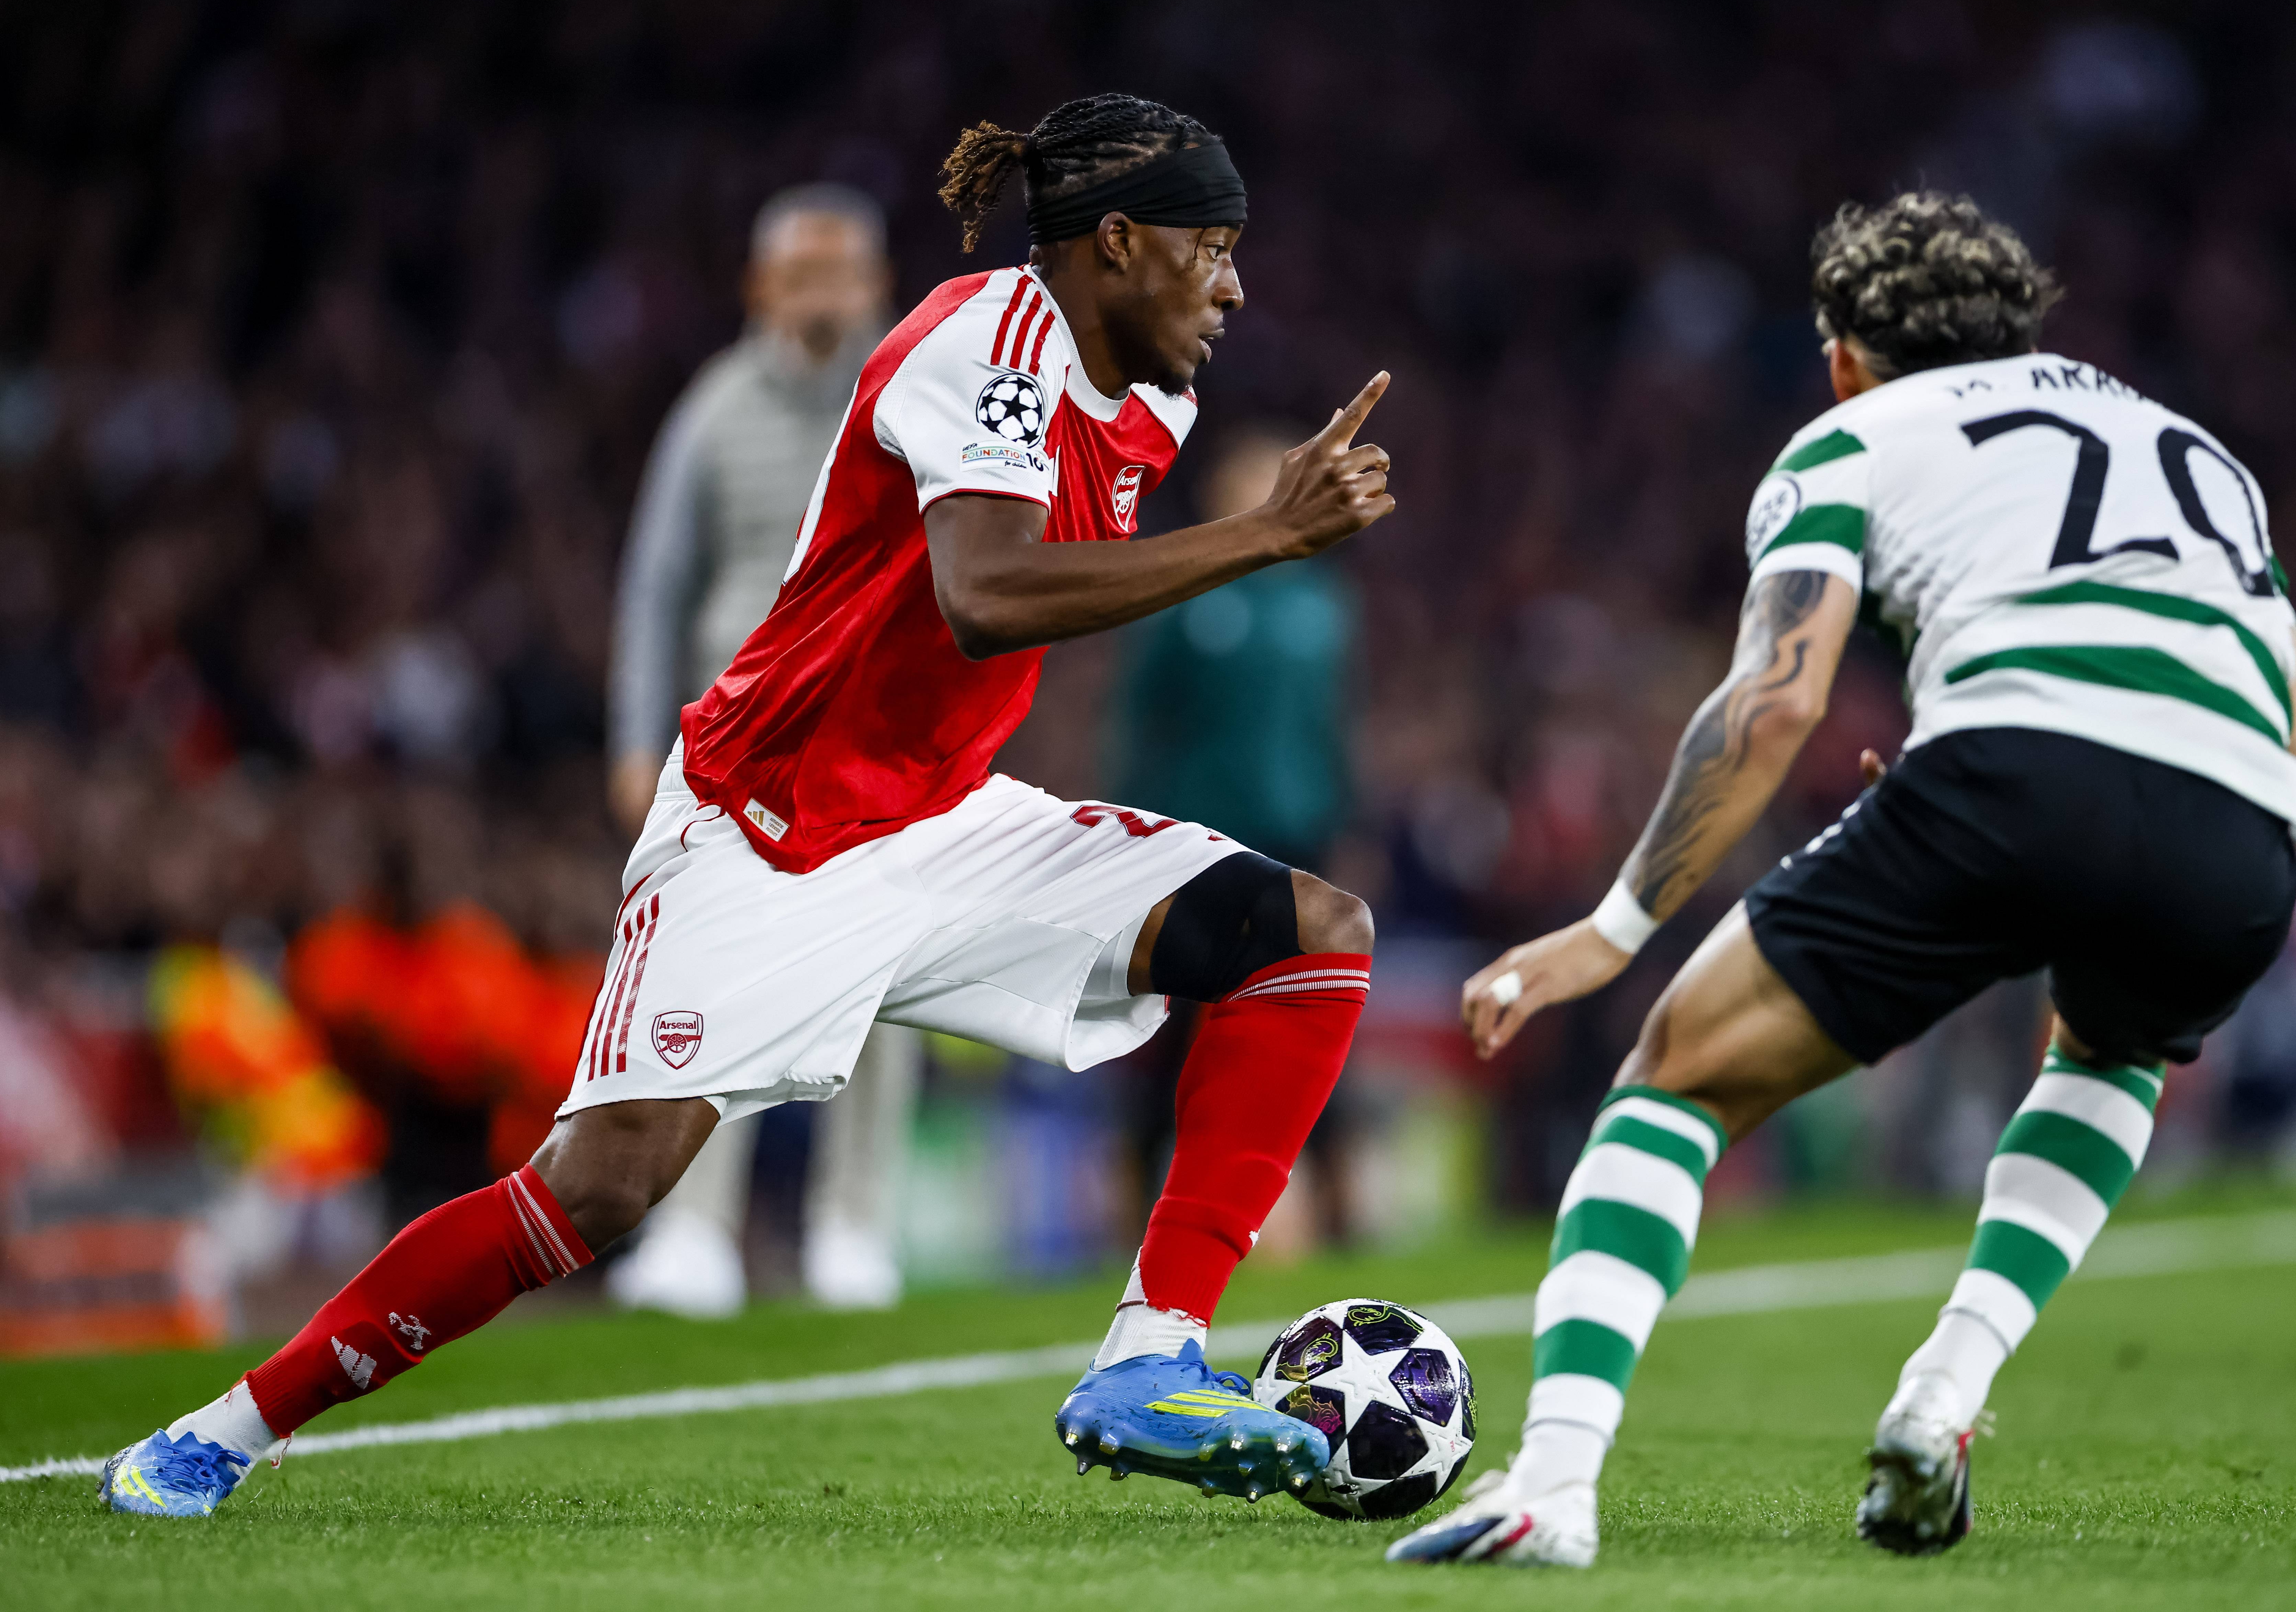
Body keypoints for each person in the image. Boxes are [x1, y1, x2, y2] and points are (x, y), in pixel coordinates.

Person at [102, 93, 1397, 1519]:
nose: (1233, 289)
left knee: (1307, 931)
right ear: (1118, 241)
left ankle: (1150, 1356)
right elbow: (985, 593)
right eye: (1212, 250)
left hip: (941, 819)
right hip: (768, 827)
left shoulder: (1154, 398)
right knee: (597, 1188)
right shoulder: (981, 345)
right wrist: (1263, 533)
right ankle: (228, 1422)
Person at [1389, 192, 2296, 1568]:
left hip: (2015, 770)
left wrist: (1614, 927)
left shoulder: (1852, 435)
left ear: (1841, 356)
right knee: (2114, 1042)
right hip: (2242, 834)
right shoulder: (2201, 455)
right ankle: (1944, 1391)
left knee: (1675, 1073)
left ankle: (1553, 1481)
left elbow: (1774, 703)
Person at [604, 182, 920, 1316]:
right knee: (711, 979)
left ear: (877, 285)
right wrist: (633, 739)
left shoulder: (914, 404)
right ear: (760, 287)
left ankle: (855, 1224)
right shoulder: (713, 411)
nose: (823, 294)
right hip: (736, 744)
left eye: (842, 273)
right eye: (802, 274)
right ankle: (694, 1227)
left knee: (882, 976)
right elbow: (655, 589)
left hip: (877, 739)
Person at [1105, 426, 1362, 1244]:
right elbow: (1142, 721)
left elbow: (1332, 729)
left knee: (1311, 1016)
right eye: (1246, 482)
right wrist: (1130, 835)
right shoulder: (1188, 596)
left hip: (1297, 838)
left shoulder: (1322, 606)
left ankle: (1337, 1207)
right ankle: (1128, 1208)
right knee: (1175, 1026)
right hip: (1202, 845)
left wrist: (1350, 825)